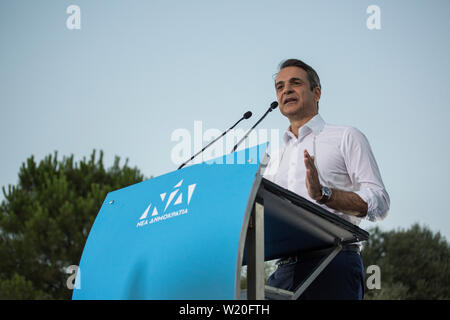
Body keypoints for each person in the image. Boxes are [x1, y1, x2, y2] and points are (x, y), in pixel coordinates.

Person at [263, 59, 390, 300]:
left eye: (295, 83)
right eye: (279, 87)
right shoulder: (275, 159)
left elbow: (380, 202)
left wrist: (325, 194)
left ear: (317, 92)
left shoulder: (346, 137)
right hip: (283, 270)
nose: (286, 90)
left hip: (333, 262)